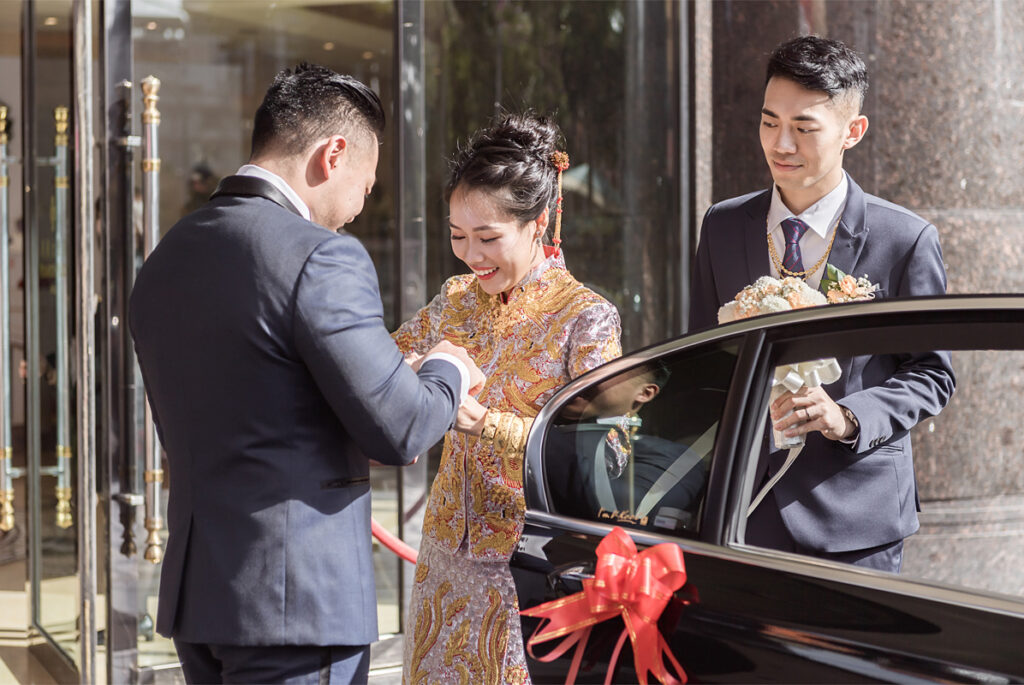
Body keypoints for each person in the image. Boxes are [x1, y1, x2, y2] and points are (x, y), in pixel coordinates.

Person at [129, 63, 484, 684]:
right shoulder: (321, 257)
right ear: (333, 154)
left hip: (201, 599)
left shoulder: (167, 259)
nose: (355, 210)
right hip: (297, 606)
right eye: (366, 188)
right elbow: (400, 428)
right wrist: (447, 368)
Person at [689, 36, 955, 573]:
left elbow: (931, 374)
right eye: (769, 123)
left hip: (855, 520)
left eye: (804, 128)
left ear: (852, 132)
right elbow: (703, 355)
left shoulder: (903, 239)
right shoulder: (722, 225)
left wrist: (847, 416)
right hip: (741, 512)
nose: (780, 144)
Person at [396, 112, 621, 684]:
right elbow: (384, 361)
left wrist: (484, 423)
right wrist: (417, 371)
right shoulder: (456, 298)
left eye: (489, 237)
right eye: (457, 235)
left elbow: (608, 447)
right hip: (446, 553)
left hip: (529, 557)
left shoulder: (584, 317)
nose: (472, 255)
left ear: (538, 223)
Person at [546, 361, 710, 533]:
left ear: (645, 393)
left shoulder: (674, 457)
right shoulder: (540, 418)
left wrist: (523, 433)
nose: (579, 373)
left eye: (600, 364)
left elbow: (623, 512)